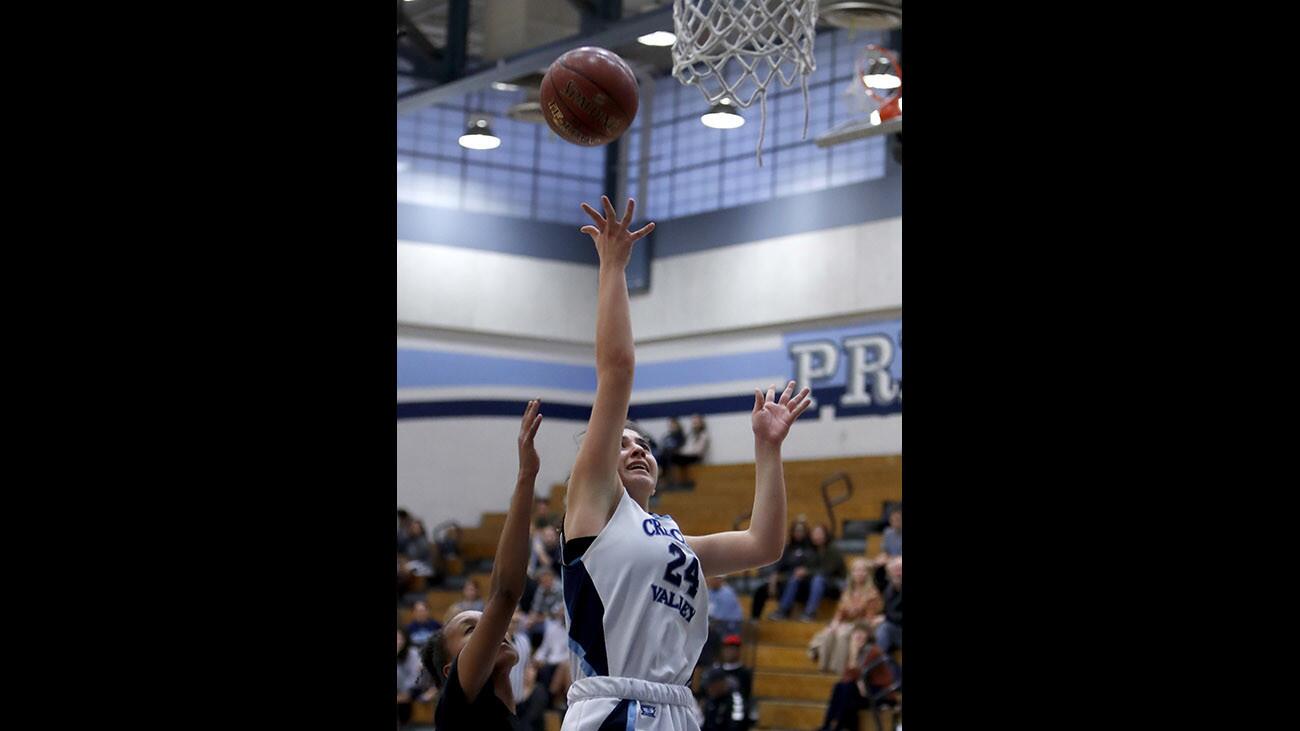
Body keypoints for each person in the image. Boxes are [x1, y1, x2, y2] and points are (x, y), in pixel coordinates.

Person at [560, 196, 812, 730]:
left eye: (644, 444)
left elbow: (764, 545)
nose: (636, 448)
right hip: (613, 708)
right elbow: (618, 371)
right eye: (622, 443)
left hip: (676, 708)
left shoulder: (675, 541)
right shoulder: (591, 511)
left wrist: (768, 450)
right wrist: (613, 267)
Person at [419, 400, 545, 730]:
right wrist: (526, 475)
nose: (494, 629)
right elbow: (504, 594)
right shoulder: (455, 707)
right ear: (451, 671)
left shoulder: (509, 716)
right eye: (472, 630)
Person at [817, 625, 898, 731]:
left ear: (868, 636)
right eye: (856, 633)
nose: (858, 636)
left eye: (862, 633)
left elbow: (859, 675)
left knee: (847, 690)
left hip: (883, 695)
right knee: (840, 687)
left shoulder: (873, 651)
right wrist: (853, 656)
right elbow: (847, 677)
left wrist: (853, 656)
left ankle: (837, 727)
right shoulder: (854, 650)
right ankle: (827, 725)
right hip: (864, 690)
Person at [808, 558, 882, 673]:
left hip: (862, 626)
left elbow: (869, 619)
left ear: (868, 574)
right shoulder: (847, 591)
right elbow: (839, 613)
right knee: (830, 632)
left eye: (863, 571)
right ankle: (823, 668)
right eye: (856, 570)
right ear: (852, 573)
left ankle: (838, 670)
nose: (859, 573)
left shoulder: (872, 593)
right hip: (846, 624)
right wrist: (835, 624)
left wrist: (848, 626)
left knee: (842, 634)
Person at [770, 523, 845, 622]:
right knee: (797, 577)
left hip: (834, 582)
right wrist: (802, 572)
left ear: (825, 535)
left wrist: (807, 572)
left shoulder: (833, 549)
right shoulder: (812, 550)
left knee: (818, 579)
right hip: (815, 582)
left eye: (819, 534)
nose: (817, 537)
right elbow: (808, 567)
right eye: (815, 534)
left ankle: (810, 612)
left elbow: (827, 571)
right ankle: (783, 610)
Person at [750, 519, 813, 620]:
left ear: (806, 532)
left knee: (793, 583)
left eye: (801, 530)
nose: (798, 533)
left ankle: (782, 611)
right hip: (784, 581)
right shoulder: (788, 548)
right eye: (796, 530)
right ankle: (754, 620)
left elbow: (812, 568)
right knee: (761, 590)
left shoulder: (811, 548)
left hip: (802, 584)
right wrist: (772, 582)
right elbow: (778, 567)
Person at [397, 628, 423, 726]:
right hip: (399, 690)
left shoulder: (413, 653)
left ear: (405, 640)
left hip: (412, 688)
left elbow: (414, 677)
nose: (398, 642)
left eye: (400, 638)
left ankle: (405, 724)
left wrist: (404, 693)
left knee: (405, 701)